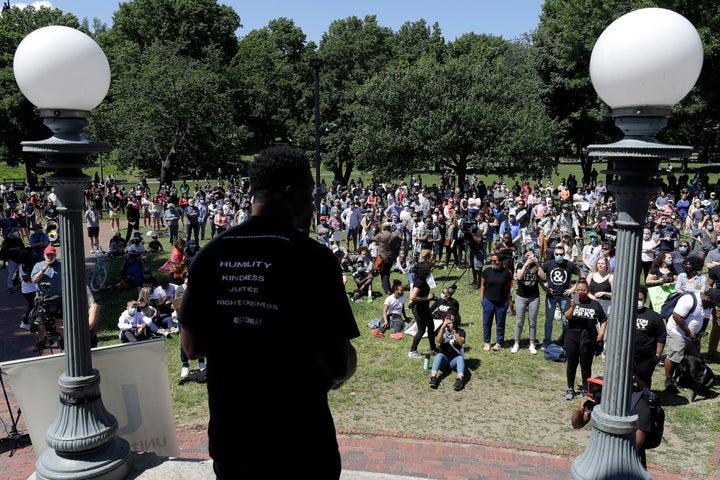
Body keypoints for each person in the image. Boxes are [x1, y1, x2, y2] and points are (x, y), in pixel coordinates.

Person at [180, 146, 359, 479]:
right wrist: (351, 361)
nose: (314, 203)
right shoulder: (313, 259)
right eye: (310, 193)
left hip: (232, 438)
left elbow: (191, 347)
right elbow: (336, 365)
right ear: (291, 194)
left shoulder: (210, 254)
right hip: (300, 445)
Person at [571, 378, 656, 470]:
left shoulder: (641, 407)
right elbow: (577, 424)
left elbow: (631, 450)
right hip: (600, 458)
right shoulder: (604, 394)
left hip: (628, 467)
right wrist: (580, 411)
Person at [663, 288, 720, 393]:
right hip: (677, 331)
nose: (715, 305)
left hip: (693, 335)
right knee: (674, 356)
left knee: (694, 359)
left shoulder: (708, 306)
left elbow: (705, 320)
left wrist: (698, 335)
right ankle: (669, 380)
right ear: (708, 298)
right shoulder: (689, 300)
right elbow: (676, 316)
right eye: (715, 303)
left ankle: (686, 380)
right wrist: (689, 332)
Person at [562, 278, 607, 400]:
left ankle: (585, 388)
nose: (581, 292)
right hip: (572, 336)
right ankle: (570, 388)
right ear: (575, 291)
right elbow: (567, 316)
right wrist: (573, 307)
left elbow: (603, 320)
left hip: (588, 338)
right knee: (572, 363)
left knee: (586, 364)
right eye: (578, 290)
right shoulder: (572, 301)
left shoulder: (594, 304)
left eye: (583, 290)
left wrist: (601, 334)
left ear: (588, 291)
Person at [538, 244, 584, 350]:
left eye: (561, 254)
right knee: (549, 320)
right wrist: (544, 287)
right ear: (554, 254)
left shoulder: (570, 265)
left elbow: (582, 276)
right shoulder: (548, 264)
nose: (559, 256)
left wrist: (573, 289)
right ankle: (546, 341)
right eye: (557, 254)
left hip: (565, 297)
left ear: (564, 254)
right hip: (551, 296)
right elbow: (538, 275)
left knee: (565, 320)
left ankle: (565, 341)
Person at [634, 286, 666, 389]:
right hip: (629, 355)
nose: (638, 302)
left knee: (643, 379)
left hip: (646, 356)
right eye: (636, 299)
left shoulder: (654, 316)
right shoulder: (626, 314)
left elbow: (661, 335)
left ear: (645, 299)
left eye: (640, 299)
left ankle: (644, 399)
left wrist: (658, 354)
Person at [480, 253, 512, 351]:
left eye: (495, 261)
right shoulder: (486, 271)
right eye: (491, 261)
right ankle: (487, 342)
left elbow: (508, 288)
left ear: (501, 262)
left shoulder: (506, 273)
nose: (492, 263)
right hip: (488, 301)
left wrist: (507, 301)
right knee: (487, 323)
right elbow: (482, 285)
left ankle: (499, 342)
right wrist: (482, 299)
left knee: (500, 323)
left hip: (502, 303)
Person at [511, 247, 541, 354]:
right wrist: (525, 264)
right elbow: (519, 277)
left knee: (532, 322)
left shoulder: (536, 266)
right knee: (519, 321)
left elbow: (543, 276)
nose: (530, 257)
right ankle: (516, 343)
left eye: (531, 255)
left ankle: (532, 344)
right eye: (527, 255)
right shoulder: (519, 265)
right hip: (521, 297)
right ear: (523, 256)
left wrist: (537, 264)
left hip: (534, 297)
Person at [428, 311, 466, 391]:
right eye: (448, 319)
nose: (450, 321)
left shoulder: (460, 331)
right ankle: (433, 377)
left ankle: (460, 379)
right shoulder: (442, 329)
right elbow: (438, 341)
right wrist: (442, 327)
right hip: (444, 358)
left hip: (454, 359)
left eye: (452, 319)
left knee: (460, 358)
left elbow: (461, 342)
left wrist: (453, 331)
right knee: (438, 355)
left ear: (455, 320)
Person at [408, 261, 437, 359]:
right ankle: (412, 350)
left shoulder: (420, 277)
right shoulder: (420, 281)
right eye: (429, 269)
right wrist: (426, 297)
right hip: (419, 309)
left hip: (424, 307)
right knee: (421, 330)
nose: (431, 270)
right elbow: (412, 296)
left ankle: (433, 349)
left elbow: (412, 289)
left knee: (431, 326)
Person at [370, 222, 402, 295]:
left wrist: (374, 230)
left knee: (384, 273)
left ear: (384, 227)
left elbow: (371, 238)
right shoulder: (394, 235)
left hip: (382, 257)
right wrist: (396, 229)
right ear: (390, 227)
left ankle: (387, 290)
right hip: (391, 257)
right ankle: (387, 288)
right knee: (386, 272)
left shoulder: (380, 235)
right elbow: (400, 238)